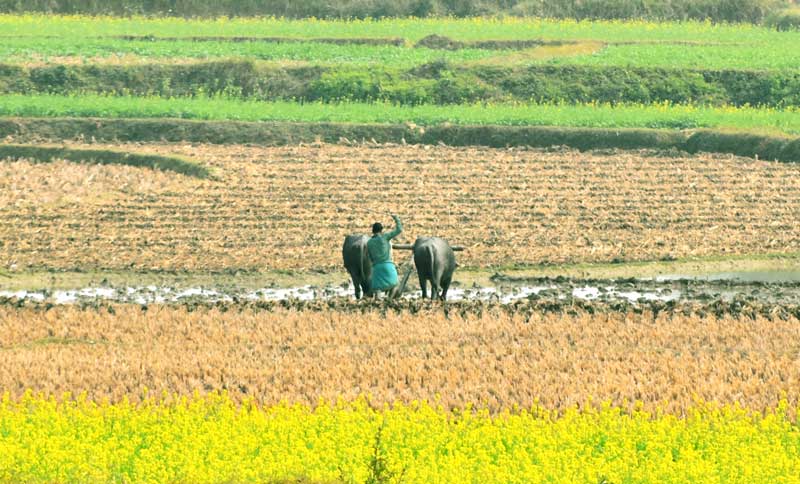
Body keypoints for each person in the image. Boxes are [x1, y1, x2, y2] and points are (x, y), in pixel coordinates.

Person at [367, 214, 403, 298]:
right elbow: (399, 229)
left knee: (377, 289)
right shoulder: (385, 237)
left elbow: (370, 257)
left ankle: (378, 303)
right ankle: (389, 300)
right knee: (395, 284)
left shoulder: (369, 243)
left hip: (377, 268)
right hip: (388, 266)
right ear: (381, 230)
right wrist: (396, 218)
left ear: (373, 231)